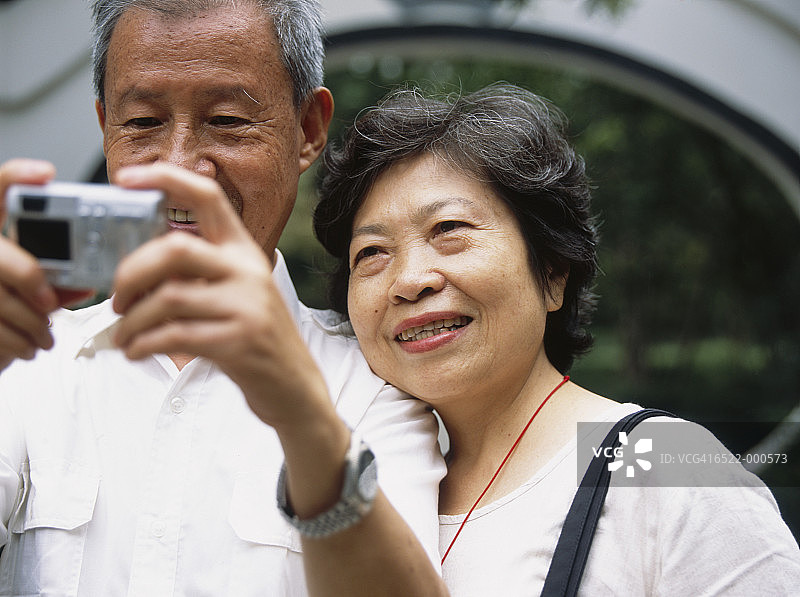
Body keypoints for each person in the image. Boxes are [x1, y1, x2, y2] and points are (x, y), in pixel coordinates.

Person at [0, 1, 449, 596]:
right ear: (105, 127)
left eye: (228, 120)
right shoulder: (27, 363)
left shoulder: (376, 385)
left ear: (307, 130)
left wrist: (304, 420)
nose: (182, 165)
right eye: (142, 124)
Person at [313, 83, 800, 595]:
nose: (410, 280)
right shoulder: (365, 476)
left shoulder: (662, 464)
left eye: (449, 228)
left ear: (552, 272)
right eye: (371, 253)